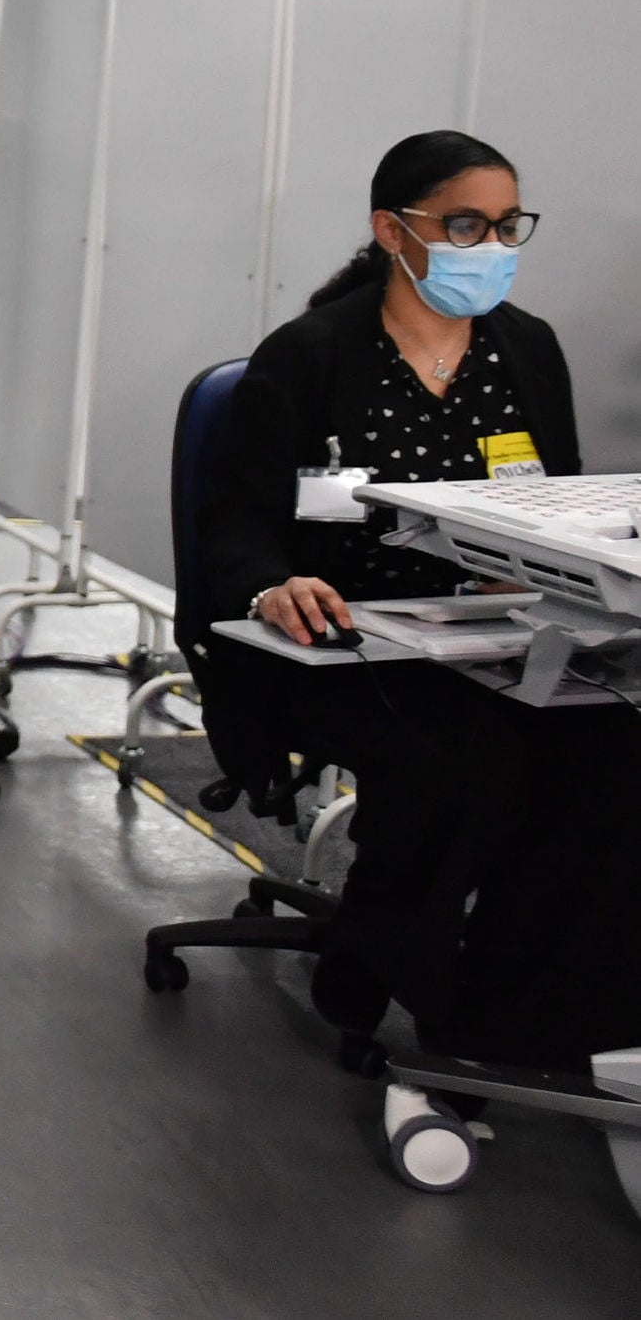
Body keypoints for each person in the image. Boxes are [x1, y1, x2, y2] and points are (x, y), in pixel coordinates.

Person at [195, 129, 641, 1067]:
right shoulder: (310, 354)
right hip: (341, 639)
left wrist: (557, 568)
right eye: (467, 224)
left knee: (614, 748)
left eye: (508, 225)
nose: (492, 247)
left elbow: (550, 500)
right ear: (393, 231)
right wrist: (277, 582)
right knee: (467, 768)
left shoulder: (527, 349)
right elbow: (232, 519)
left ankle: (529, 1006)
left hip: (493, 629)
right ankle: (393, 974)